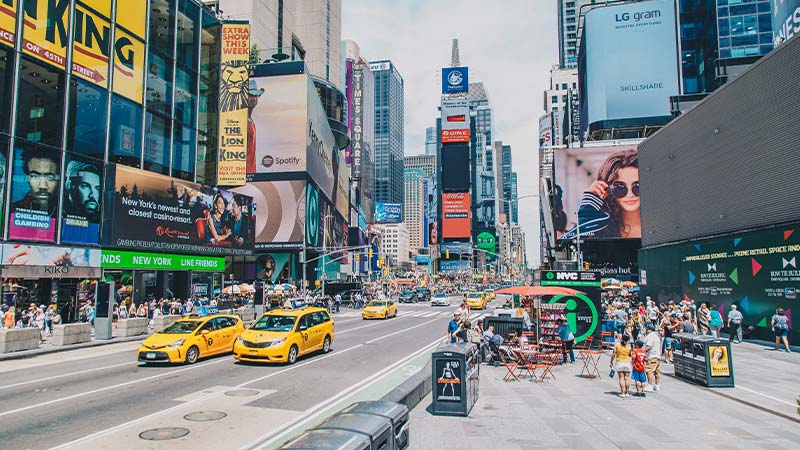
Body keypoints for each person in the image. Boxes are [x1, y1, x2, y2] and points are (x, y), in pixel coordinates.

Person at [560, 149, 640, 240]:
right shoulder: (600, 226)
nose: (629, 194)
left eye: (637, 186)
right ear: (608, 189)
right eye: (619, 188)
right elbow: (564, 244)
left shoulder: (658, 225)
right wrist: (587, 212)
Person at [10, 150, 60, 219]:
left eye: (50, 177)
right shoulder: (12, 210)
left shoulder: (66, 212)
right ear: (28, 179)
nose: (43, 186)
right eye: (35, 176)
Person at [245, 78, 265, 174]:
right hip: (241, 174)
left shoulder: (250, 121)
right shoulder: (241, 120)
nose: (254, 98)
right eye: (250, 95)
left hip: (250, 173)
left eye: (256, 95)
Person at [643, 322, 662, 392]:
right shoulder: (655, 336)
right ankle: (657, 385)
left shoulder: (650, 336)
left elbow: (648, 347)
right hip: (657, 356)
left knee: (649, 371)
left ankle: (650, 385)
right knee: (657, 372)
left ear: (648, 329)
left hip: (652, 356)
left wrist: (642, 352)